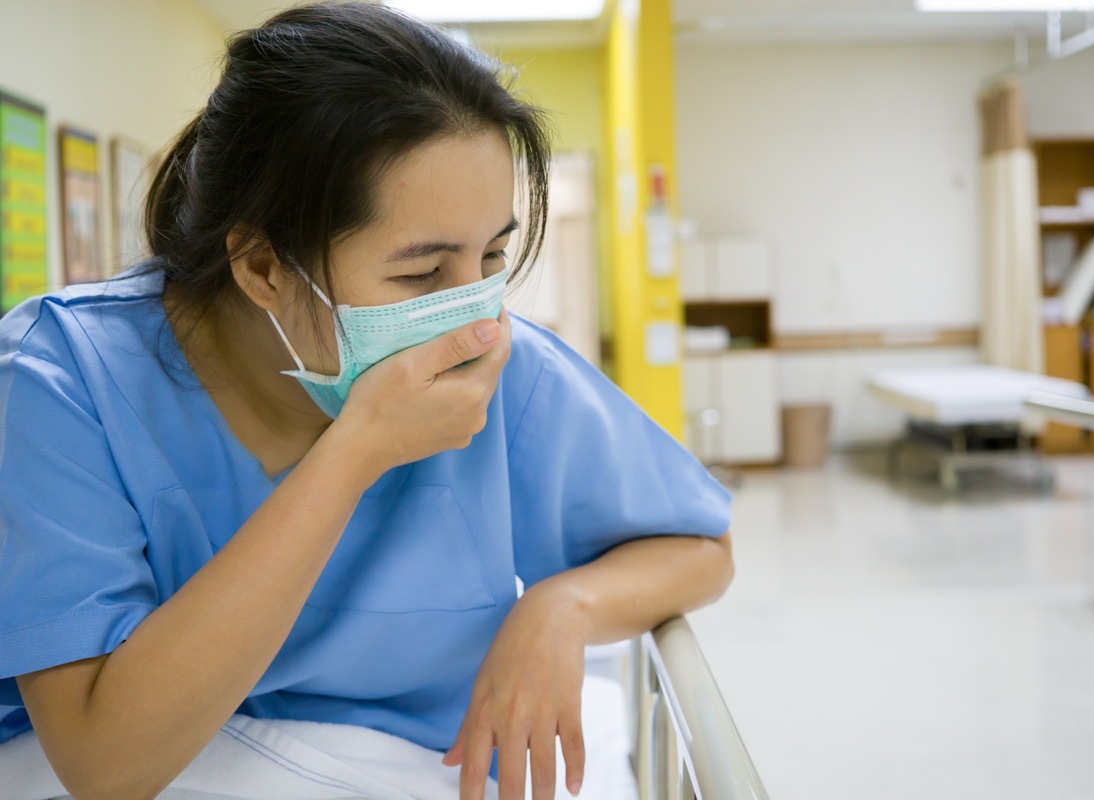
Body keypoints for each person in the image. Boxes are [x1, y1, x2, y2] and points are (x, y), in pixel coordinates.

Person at [0, 4, 733, 799]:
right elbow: (103, 763)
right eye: (422, 275)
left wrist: (566, 604)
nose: (477, 314)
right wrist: (356, 453)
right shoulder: (62, 381)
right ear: (263, 268)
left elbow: (700, 548)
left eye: (492, 256)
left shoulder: (499, 368)